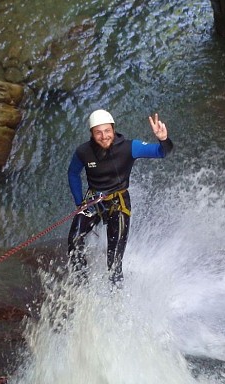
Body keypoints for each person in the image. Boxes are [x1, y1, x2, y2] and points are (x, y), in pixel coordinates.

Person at [67, 109, 173, 284]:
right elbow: (72, 173)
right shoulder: (83, 152)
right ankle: (81, 282)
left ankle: (116, 294)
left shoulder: (129, 147)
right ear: (92, 134)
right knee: (74, 240)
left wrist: (163, 139)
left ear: (113, 130)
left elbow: (162, 152)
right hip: (93, 200)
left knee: (114, 259)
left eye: (107, 131)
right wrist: (80, 203)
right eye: (98, 132)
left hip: (118, 202)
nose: (104, 136)